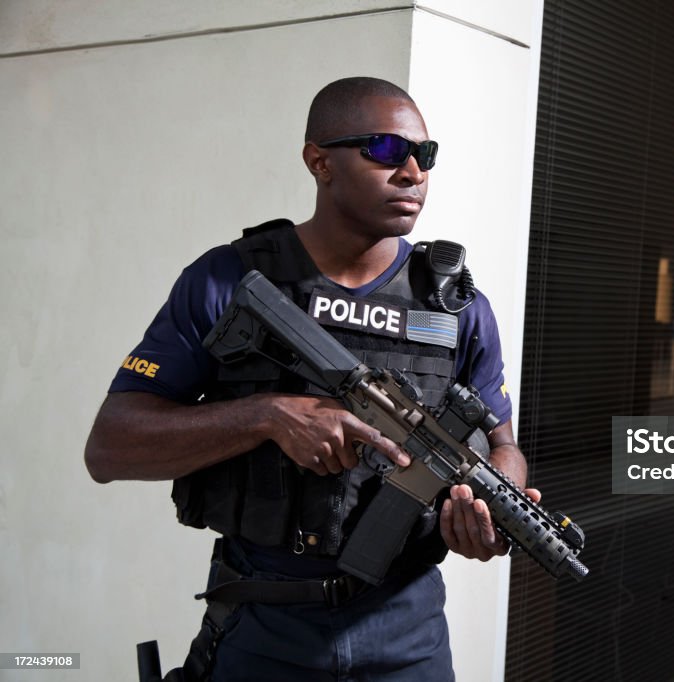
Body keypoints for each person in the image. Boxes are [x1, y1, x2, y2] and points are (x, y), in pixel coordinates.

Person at [84, 76, 535, 682]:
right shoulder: (228, 280)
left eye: (424, 155)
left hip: (408, 627)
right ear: (319, 161)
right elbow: (110, 447)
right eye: (384, 149)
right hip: (262, 618)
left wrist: (488, 505)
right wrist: (268, 416)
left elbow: (504, 444)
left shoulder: (456, 305)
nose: (412, 172)